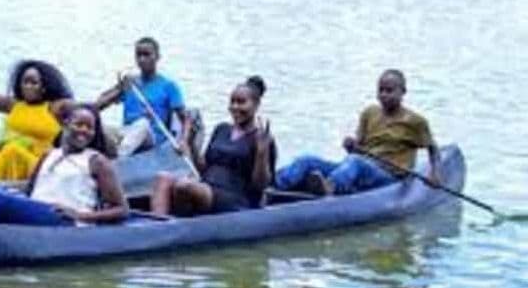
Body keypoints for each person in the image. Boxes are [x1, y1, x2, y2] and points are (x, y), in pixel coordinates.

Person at [0, 104, 128, 226]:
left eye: (90, 128)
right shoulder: (49, 154)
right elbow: (30, 187)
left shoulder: (96, 161)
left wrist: (81, 215)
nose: (84, 130)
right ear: (65, 124)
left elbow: (122, 209)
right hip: (36, 209)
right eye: (79, 124)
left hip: (64, 219)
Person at [275, 69, 440, 196]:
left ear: (402, 91)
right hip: (361, 166)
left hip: (388, 176)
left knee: (355, 162)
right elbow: (358, 149)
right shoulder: (370, 113)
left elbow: (433, 148)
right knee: (307, 160)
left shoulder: (415, 121)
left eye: (389, 91)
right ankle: (276, 185)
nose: (383, 95)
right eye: (381, 90)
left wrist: (434, 174)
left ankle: (330, 187)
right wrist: (351, 145)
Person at [150, 77, 276, 216]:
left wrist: (261, 153)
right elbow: (203, 168)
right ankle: (159, 224)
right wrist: (192, 144)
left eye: (241, 102)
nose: (235, 107)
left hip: (235, 197)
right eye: (232, 102)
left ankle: (181, 221)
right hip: (206, 186)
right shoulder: (221, 129)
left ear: (256, 104)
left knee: (184, 186)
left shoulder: (262, 138)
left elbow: (260, 185)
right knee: (163, 178)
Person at [0, 38, 74, 181]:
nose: (28, 86)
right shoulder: (14, 105)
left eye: (33, 83)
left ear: (44, 87)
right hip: (5, 158)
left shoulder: (54, 107)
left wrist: (106, 96)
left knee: (12, 151)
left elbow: (91, 108)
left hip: (37, 165)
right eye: (25, 82)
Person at [96, 37, 188, 157]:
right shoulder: (130, 83)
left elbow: (185, 118)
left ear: (157, 57)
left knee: (143, 124)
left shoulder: (168, 86)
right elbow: (98, 106)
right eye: (138, 55)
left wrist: (183, 141)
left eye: (146, 55)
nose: (142, 59)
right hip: (126, 132)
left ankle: (119, 156)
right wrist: (120, 88)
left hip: (151, 136)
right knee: (98, 127)